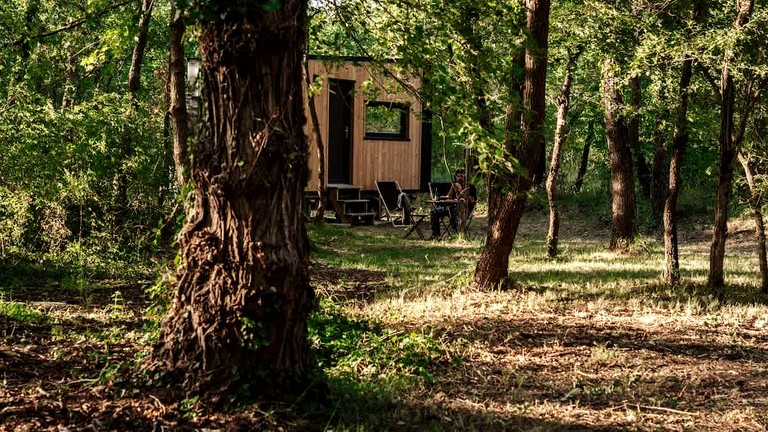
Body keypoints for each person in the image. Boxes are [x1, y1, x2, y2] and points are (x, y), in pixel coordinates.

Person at [430, 168, 477, 240]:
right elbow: (448, 197)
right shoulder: (454, 185)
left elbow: (472, 201)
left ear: (465, 177)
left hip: (463, 210)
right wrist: (441, 198)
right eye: (458, 176)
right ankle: (436, 235)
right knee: (434, 212)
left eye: (461, 176)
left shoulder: (471, 187)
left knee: (454, 211)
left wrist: (461, 191)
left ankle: (455, 235)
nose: (459, 178)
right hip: (451, 207)